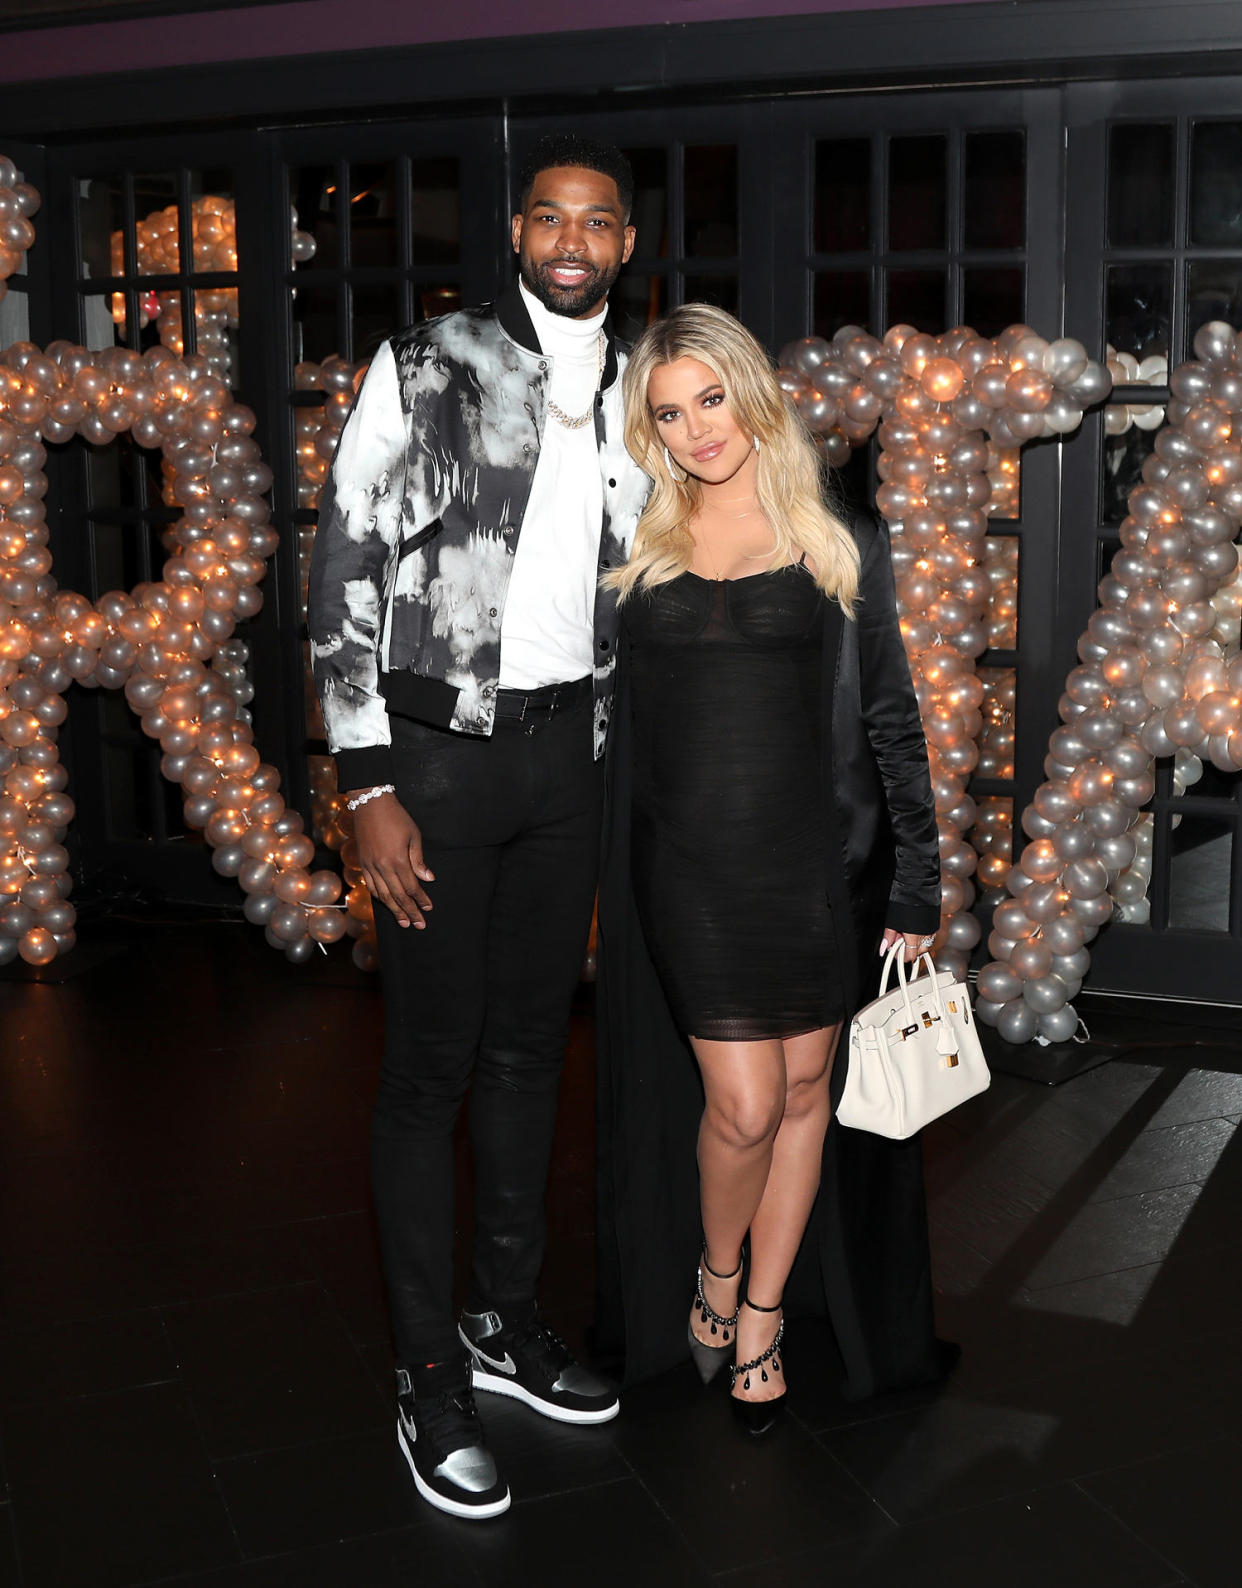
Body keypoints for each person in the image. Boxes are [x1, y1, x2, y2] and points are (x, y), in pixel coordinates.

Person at [307, 134, 651, 1519]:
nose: (571, 239)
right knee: (427, 1072)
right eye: (548, 217)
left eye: (598, 221)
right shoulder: (428, 362)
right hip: (434, 766)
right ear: (517, 233)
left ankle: (502, 1323)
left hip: (569, 759)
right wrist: (367, 783)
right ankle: (424, 1373)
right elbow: (340, 562)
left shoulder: (641, 383)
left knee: (525, 1056)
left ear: (624, 245)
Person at [595, 304, 945, 1432]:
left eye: (710, 398)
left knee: (806, 1095)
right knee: (741, 1106)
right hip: (692, 870)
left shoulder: (837, 537)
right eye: (669, 412)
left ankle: (760, 1313)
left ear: (750, 391)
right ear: (648, 432)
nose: (697, 429)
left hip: (816, 867)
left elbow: (892, 717)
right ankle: (711, 1268)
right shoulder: (637, 549)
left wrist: (918, 880)